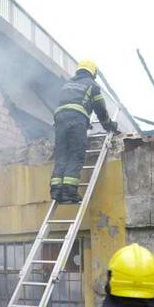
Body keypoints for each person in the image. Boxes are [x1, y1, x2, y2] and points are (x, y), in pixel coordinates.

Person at [50, 60, 118, 204]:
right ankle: (69, 193)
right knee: (76, 154)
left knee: (62, 154)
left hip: (59, 120)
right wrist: (108, 125)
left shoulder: (66, 85)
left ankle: (56, 190)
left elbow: (63, 104)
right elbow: (100, 108)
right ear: (93, 72)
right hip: (76, 119)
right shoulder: (92, 85)